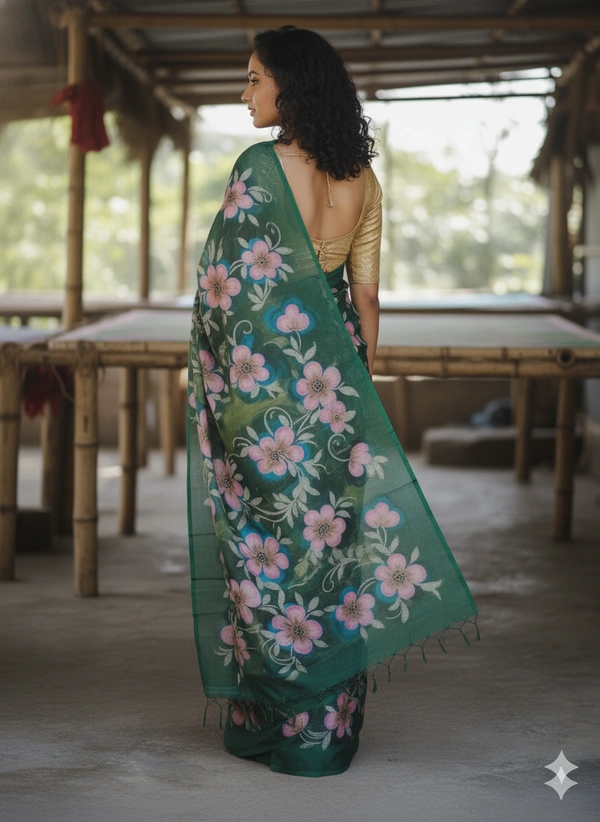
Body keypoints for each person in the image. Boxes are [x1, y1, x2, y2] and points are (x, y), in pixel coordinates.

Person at [187, 25, 480, 778]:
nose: (244, 93)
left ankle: (276, 718)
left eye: (254, 78)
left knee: (266, 549)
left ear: (289, 86)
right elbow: (367, 297)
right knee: (329, 554)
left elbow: (226, 292)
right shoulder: (363, 179)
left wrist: (224, 380)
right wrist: (353, 385)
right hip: (335, 391)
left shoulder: (258, 167)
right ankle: (327, 732)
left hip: (266, 397)